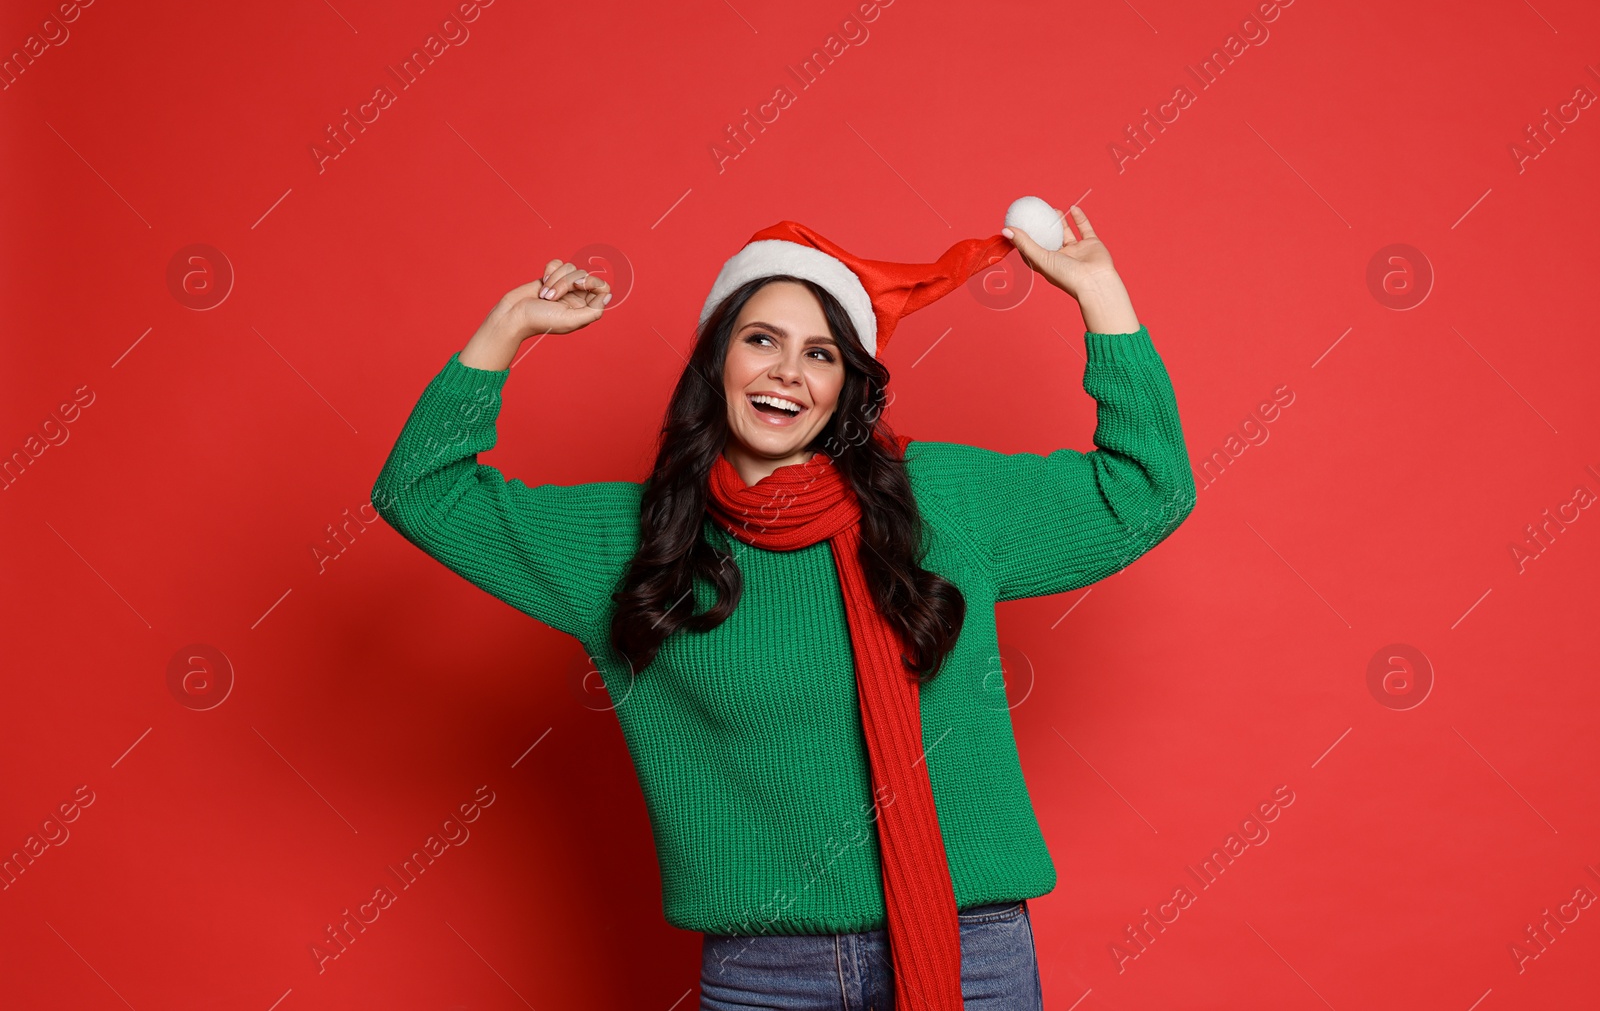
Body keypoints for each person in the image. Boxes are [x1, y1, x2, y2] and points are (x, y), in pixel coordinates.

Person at [370, 201, 1196, 1010]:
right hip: (768, 973)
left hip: (971, 954)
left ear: (847, 384)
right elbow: (420, 489)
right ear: (716, 361)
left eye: (822, 354)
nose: (787, 373)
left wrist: (1101, 294)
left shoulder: (944, 500)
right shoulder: (631, 542)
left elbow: (1148, 488)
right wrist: (508, 331)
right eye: (760, 340)